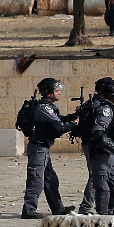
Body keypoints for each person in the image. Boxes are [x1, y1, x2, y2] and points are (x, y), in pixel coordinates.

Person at [21, 78, 78, 219]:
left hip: (43, 149)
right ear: (49, 92)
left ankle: (58, 208)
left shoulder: (49, 107)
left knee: (50, 179)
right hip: (38, 148)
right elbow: (58, 127)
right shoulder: (43, 107)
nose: (59, 93)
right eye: (56, 90)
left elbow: (60, 119)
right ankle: (28, 210)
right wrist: (75, 124)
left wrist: (75, 115)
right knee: (36, 179)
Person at [78, 78, 114, 215]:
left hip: (104, 147)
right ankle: (99, 212)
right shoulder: (104, 108)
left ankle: (108, 210)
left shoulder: (95, 103)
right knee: (100, 182)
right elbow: (98, 133)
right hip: (98, 148)